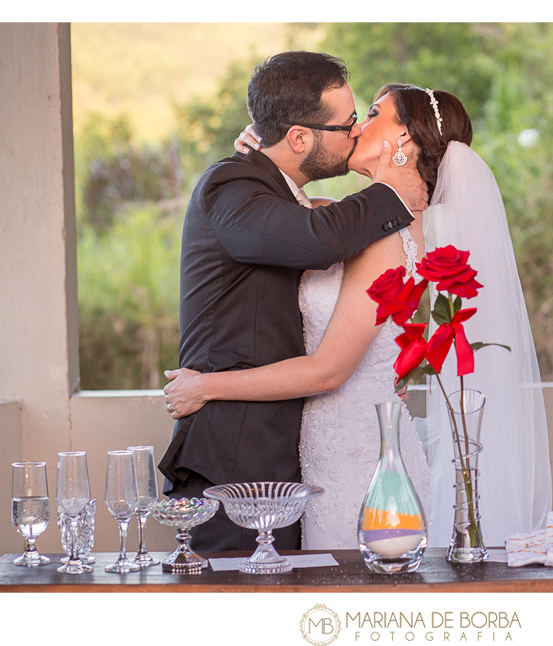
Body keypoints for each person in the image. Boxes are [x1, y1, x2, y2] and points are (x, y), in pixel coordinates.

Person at [165, 83, 553, 549]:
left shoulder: (387, 239)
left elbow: (329, 369)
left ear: (404, 141)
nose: (356, 127)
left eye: (372, 113)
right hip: (328, 448)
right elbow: (291, 223)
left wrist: (205, 386)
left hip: (354, 460)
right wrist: (267, 148)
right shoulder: (368, 222)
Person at [157, 52, 429, 553]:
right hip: (237, 457)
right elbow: (316, 239)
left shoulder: (291, 198)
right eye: (348, 122)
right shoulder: (232, 184)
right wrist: (393, 193)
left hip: (301, 455)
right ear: (299, 137)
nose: (354, 132)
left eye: (364, 119)